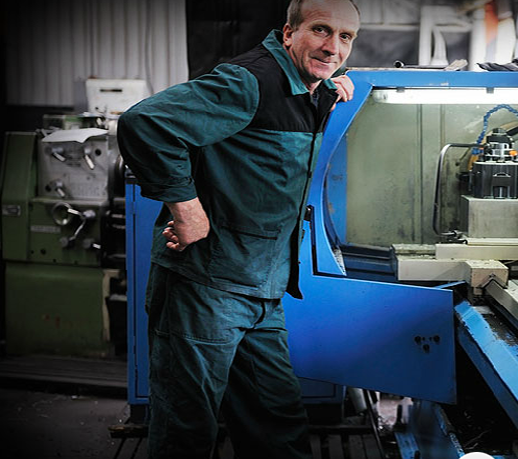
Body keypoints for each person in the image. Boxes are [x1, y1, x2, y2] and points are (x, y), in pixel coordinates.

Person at [117, 0, 360, 457]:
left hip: (261, 290)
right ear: (288, 33)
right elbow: (144, 123)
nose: (333, 47)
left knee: (277, 423)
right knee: (187, 429)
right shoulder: (249, 81)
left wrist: (329, 92)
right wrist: (187, 210)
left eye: (345, 37)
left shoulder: (308, 88)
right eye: (320, 30)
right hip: (206, 288)